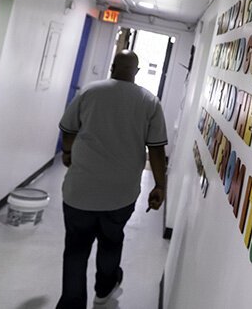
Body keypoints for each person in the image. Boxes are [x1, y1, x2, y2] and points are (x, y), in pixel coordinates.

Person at [55, 50, 168, 308]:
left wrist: (68, 152)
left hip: (79, 191)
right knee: (111, 240)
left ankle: (72, 303)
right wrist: (161, 186)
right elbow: (157, 150)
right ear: (136, 72)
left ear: (113, 65)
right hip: (120, 195)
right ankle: (104, 289)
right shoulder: (149, 102)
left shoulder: (90, 92)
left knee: (75, 249)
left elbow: (68, 129)